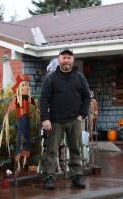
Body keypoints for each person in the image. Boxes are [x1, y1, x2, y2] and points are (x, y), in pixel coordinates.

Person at [40, 48, 91, 189]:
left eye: (69, 57)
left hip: (74, 120)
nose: (66, 60)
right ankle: (49, 178)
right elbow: (44, 99)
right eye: (64, 57)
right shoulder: (51, 78)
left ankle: (76, 177)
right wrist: (45, 118)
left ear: (73, 60)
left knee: (75, 149)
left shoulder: (80, 78)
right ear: (59, 59)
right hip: (55, 121)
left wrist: (82, 114)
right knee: (51, 151)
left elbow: (87, 97)